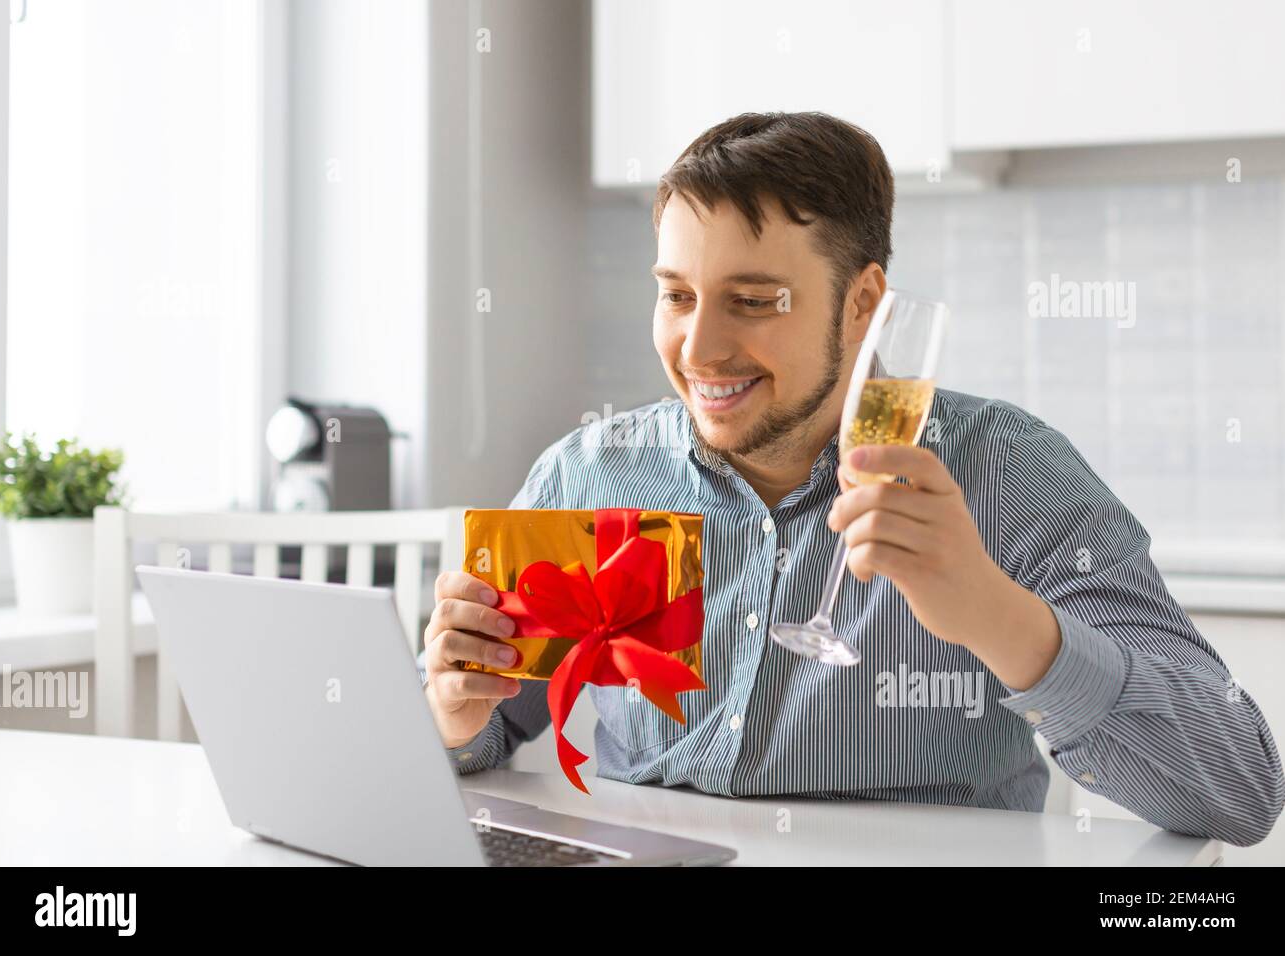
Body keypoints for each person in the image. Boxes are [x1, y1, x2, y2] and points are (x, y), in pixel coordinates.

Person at [418, 112, 1283, 846]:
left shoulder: (1007, 471)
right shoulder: (589, 474)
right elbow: (491, 728)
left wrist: (993, 612)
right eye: (677, 295)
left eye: (753, 301)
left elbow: (1239, 790)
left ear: (864, 302)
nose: (699, 347)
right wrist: (455, 715)